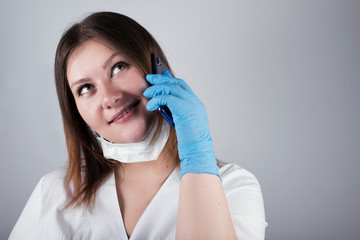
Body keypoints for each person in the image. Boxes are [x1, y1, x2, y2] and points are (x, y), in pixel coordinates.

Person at [9, 12, 267, 239]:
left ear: (155, 66)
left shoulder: (234, 187)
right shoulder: (53, 193)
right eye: (86, 88)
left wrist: (198, 154)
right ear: (76, 111)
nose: (110, 97)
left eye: (118, 67)